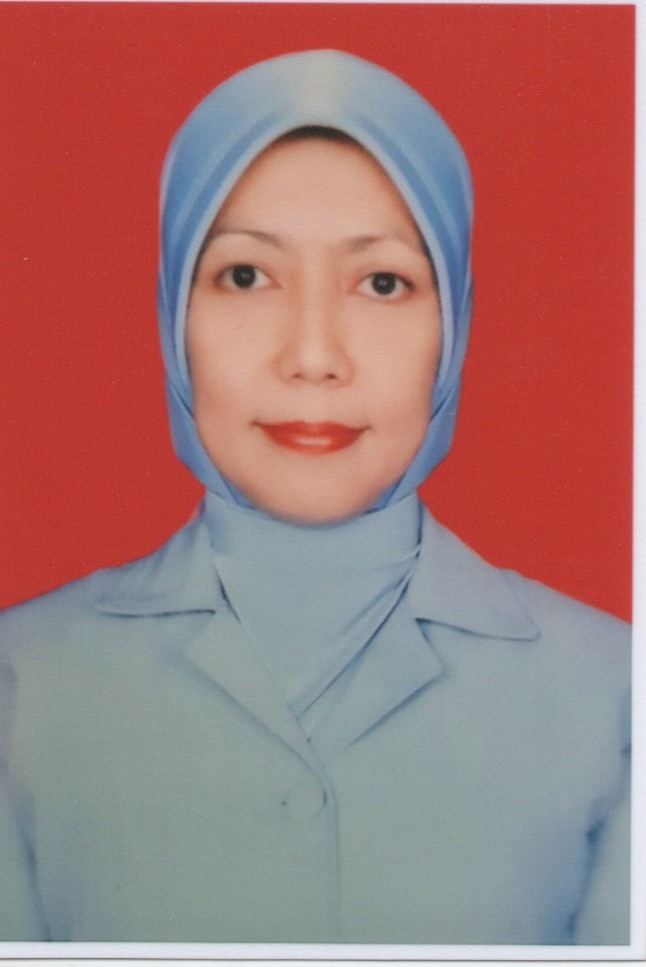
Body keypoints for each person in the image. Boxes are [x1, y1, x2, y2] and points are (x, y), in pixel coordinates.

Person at [0, 49, 630, 945]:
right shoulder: (21, 681)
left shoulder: (617, 693)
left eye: (383, 283)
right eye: (246, 275)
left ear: (453, 324)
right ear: (173, 314)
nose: (312, 355)